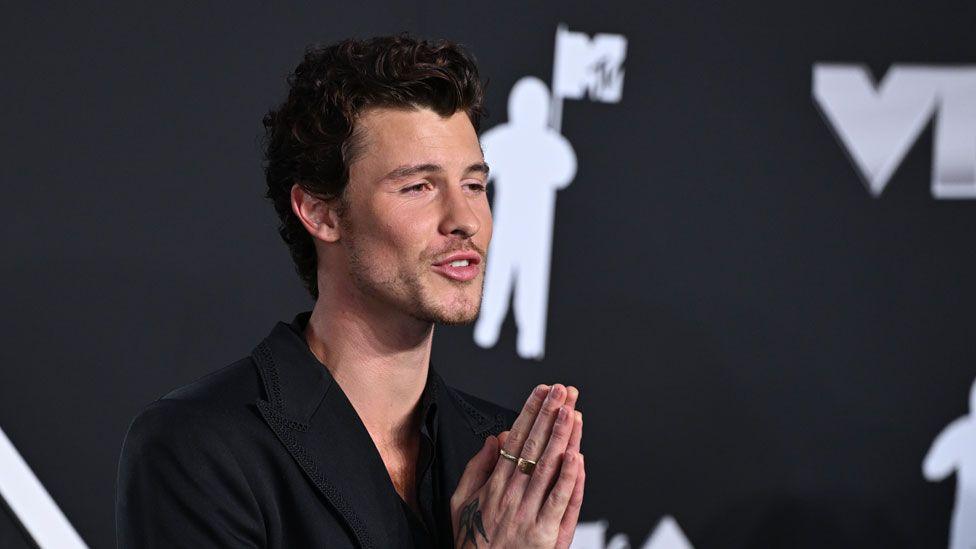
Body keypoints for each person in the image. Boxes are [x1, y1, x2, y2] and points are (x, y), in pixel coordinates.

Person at [115, 34, 585, 548]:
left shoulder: (501, 456)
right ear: (320, 211)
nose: (465, 220)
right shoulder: (199, 447)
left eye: (474, 185)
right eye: (418, 187)